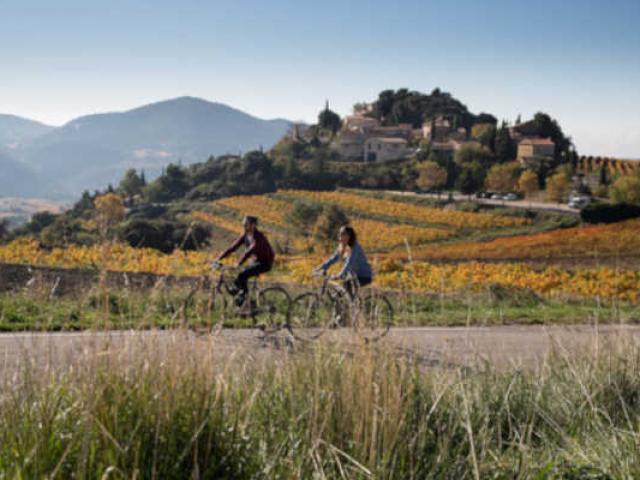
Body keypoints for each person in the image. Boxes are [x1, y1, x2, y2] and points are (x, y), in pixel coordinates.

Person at [215, 216, 275, 306]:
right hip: (256, 261)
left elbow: (249, 251)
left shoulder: (259, 237)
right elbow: (233, 248)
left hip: (265, 262)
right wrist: (219, 258)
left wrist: (238, 263)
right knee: (238, 279)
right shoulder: (246, 235)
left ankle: (245, 300)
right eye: (243, 224)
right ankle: (246, 300)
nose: (244, 226)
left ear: (253, 225)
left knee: (242, 275)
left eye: (246, 224)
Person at [314, 225, 373, 297]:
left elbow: (349, 263)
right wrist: (320, 268)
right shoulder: (342, 246)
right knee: (339, 294)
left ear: (349, 236)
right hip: (352, 275)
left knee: (346, 286)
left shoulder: (355, 247)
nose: (339, 235)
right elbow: (332, 259)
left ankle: (354, 307)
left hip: (363, 276)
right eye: (339, 233)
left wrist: (339, 275)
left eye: (342, 233)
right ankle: (347, 305)